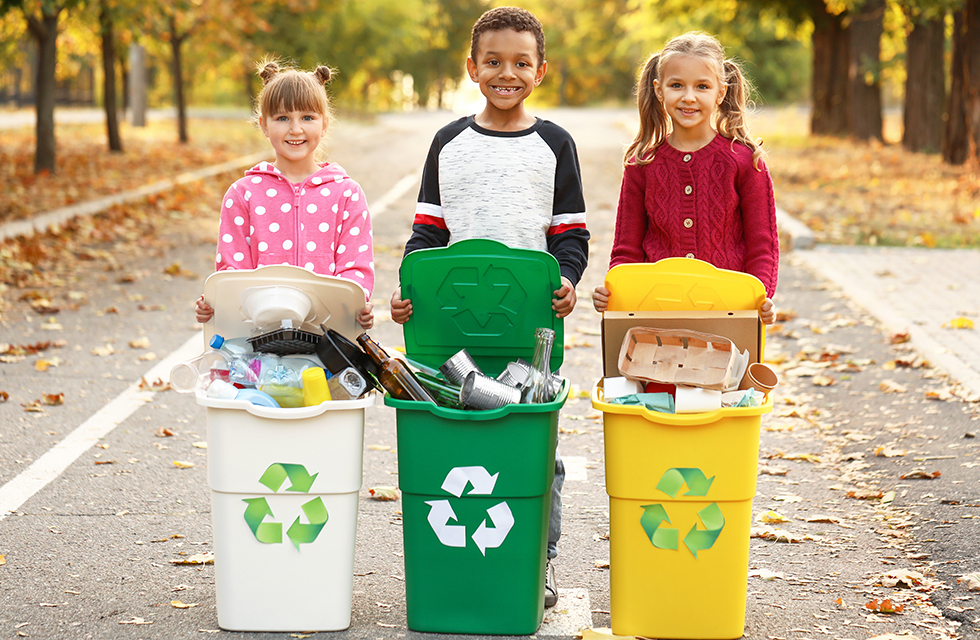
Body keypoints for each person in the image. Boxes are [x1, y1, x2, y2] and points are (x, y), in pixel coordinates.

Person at [389, 6, 589, 608]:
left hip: (531, 335)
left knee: (534, 452)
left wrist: (571, 281)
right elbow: (427, 234)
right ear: (472, 67)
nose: (508, 73)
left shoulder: (555, 144)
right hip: (453, 333)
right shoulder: (449, 142)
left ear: (541, 69)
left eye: (521, 63)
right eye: (494, 61)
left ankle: (536, 561)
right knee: (456, 443)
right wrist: (409, 294)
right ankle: (458, 561)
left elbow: (569, 235)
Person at [592, 32, 777, 324]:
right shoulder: (642, 163)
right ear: (659, 90)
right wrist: (616, 289)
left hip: (729, 313)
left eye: (702, 86)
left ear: (720, 92)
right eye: (677, 85)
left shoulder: (745, 162)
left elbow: (762, 245)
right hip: (656, 313)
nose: (688, 97)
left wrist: (760, 295)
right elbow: (627, 249)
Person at [195, 59, 375, 329]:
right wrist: (216, 303)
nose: (295, 129)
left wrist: (358, 305)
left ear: (324, 123)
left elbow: (354, 271)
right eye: (282, 118)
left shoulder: (347, 194)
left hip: (328, 337)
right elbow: (232, 273)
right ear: (264, 125)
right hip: (257, 337)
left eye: (307, 117)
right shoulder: (242, 195)